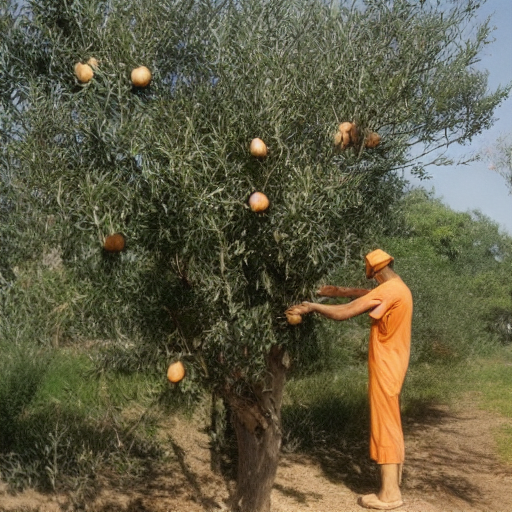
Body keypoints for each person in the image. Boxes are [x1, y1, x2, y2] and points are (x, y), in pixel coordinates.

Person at [285, 249, 413, 511]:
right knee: (392, 424)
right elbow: (361, 294)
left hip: (386, 369)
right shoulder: (399, 287)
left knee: (385, 426)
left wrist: (313, 307)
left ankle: (389, 495)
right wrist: (335, 291)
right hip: (394, 366)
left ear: (375, 273)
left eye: (372, 277)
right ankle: (394, 485)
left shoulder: (388, 290)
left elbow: (345, 312)